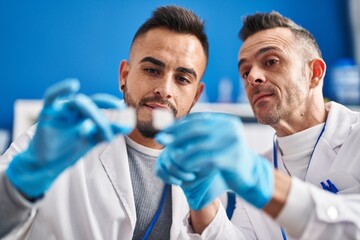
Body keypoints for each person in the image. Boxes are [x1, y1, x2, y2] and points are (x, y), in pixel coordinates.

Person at [0, 5, 242, 239]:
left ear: (196, 96)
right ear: (124, 76)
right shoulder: (63, 141)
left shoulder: (202, 172)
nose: (164, 89)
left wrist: (206, 216)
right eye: (152, 70)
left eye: (181, 78)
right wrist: (20, 187)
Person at [155, 11, 360, 240]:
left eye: (271, 61)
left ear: (314, 73)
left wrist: (265, 182)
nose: (252, 77)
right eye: (245, 71)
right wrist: (202, 204)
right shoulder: (257, 167)